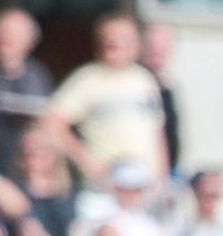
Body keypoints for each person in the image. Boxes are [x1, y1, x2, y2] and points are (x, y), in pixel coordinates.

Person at [42, 13, 167, 184]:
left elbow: (157, 132)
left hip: (144, 184)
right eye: (108, 37)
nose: (114, 43)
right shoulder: (86, 79)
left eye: (122, 38)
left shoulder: (145, 80)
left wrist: (162, 176)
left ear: (136, 43)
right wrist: (86, 163)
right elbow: (52, 123)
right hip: (106, 184)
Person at [0, 8, 54, 181]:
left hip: (23, 173)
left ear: (30, 41)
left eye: (13, 33)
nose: (5, 37)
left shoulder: (38, 77)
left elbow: (46, 120)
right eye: (3, 31)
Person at [140, 22, 183, 175]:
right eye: (151, 45)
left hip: (164, 175)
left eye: (163, 46)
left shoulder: (167, 86)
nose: (157, 50)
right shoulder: (134, 85)